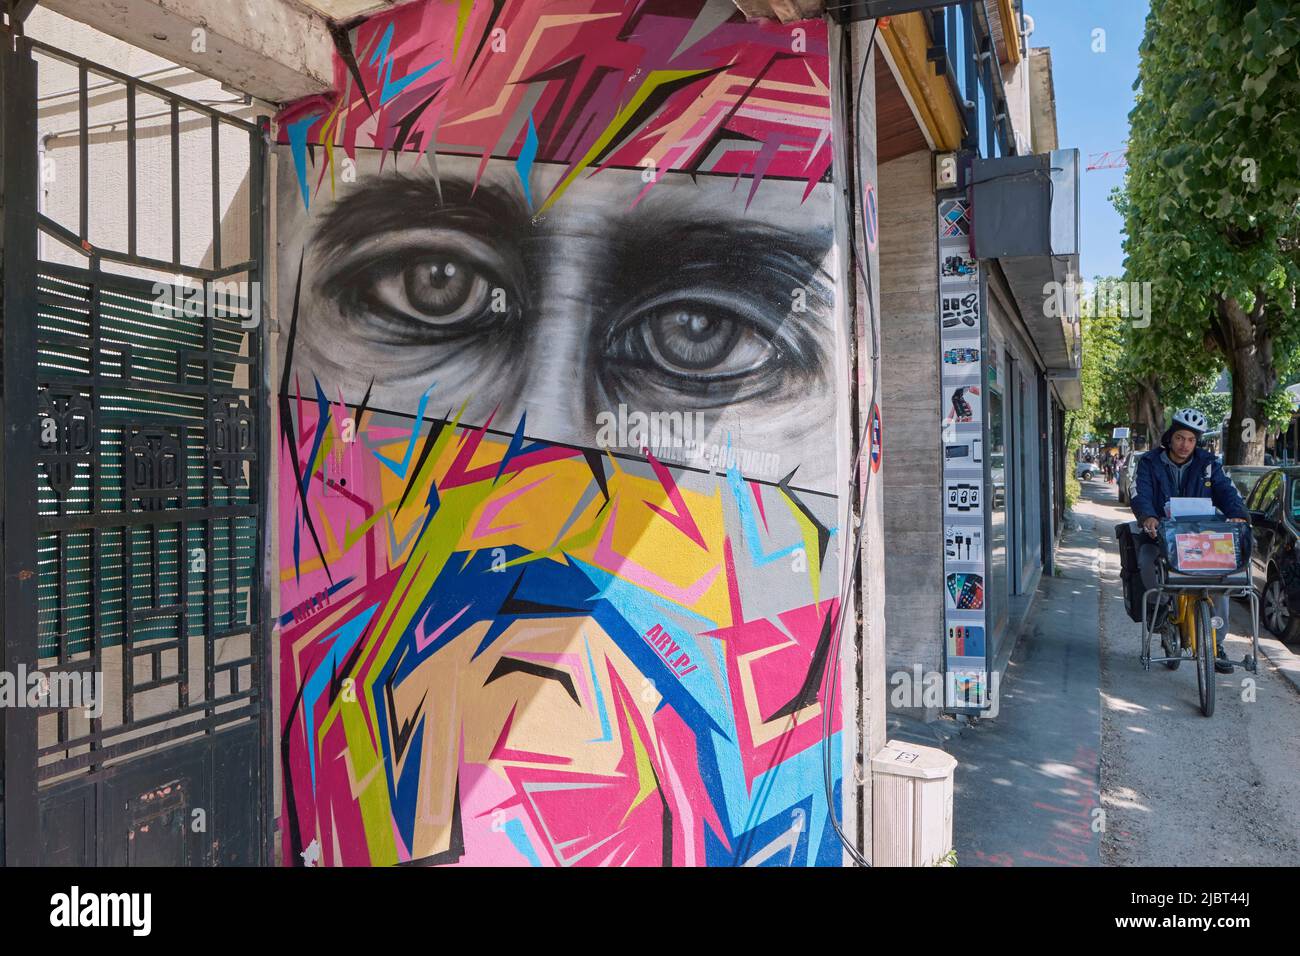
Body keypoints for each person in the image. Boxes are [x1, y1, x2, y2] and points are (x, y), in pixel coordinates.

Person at [1130, 407, 1249, 673]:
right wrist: (1148, 516)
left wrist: (1238, 514)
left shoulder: (1208, 463)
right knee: (1148, 563)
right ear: (1170, 437)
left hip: (1201, 537)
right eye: (1180, 438)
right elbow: (1141, 493)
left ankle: (1215, 645)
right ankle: (1162, 616)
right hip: (1161, 536)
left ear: (1198, 442)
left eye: (1191, 440)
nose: (1185, 445)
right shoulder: (1150, 462)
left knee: (1220, 583)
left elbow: (1227, 492)